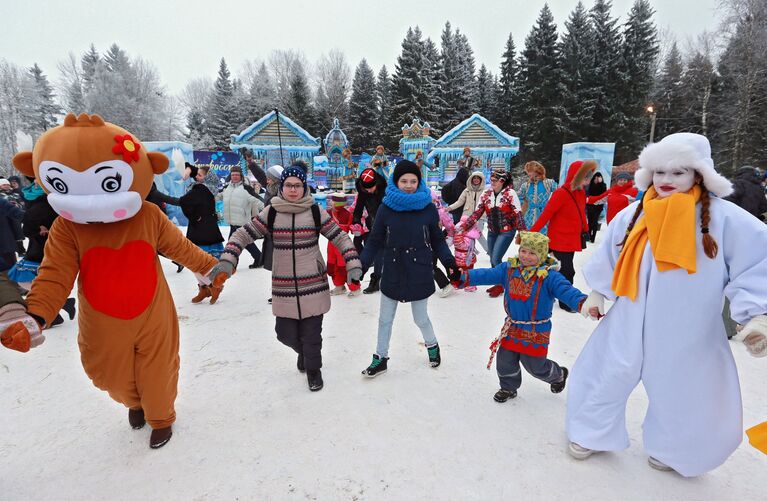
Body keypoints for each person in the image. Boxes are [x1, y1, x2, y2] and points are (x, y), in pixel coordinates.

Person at [2, 113, 220, 449]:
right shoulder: (68, 227)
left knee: (158, 365)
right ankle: (135, 401)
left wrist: (212, 268)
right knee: (106, 372)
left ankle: (161, 416)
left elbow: (180, 247)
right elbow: (54, 274)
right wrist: (37, 315)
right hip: (101, 318)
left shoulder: (148, 215)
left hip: (153, 311)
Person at [566, 132, 767, 476]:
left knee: (685, 387)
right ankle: (590, 431)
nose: (666, 181)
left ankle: (678, 449)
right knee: (605, 372)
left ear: (699, 174)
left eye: (678, 172)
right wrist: (598, 290)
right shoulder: (636, 212)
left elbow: (754, 265)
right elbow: (610, 251)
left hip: (687, 325)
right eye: (659, 172)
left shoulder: (724, 218)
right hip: (629, 314)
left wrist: (756, 315)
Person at [210, 165, 362, 392]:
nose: (293, 189)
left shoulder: (314, 211)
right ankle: (303, 352)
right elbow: (242, 234)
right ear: (282, 187)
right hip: (284, 285)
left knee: (312, 335)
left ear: (304, 187)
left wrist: (352, 263)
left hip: (313, 283)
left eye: (298, 185)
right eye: (289, 185)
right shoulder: (271, 212)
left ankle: (313, 370)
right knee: (284, 334)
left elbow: (340, 237)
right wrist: (228, 258)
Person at [457, 231, 589, 401]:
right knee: (505, 360)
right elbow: (487, 275)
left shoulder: (550, 277)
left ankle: (558, 374)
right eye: (523, 251)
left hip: (536, 329)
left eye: (532, 253)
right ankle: (508, 388)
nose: (526, 256)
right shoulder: (510, 269)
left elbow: (567, 291)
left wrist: (583, 303)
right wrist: (462, 277)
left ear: (542, 255)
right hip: (512, 326)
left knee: (535, 366)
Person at [359, 160, 458, 378]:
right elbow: (374, 240)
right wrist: (362, 265)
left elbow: (438, 240)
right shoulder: (386, 208)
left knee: (420, 318)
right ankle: (380, 358)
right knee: (385, 319)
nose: (409, 185)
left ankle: (432, 346)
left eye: (413, 181)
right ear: (396, 181)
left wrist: (450, 263)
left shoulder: (428, 208)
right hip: (393, 267)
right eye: (404, 181)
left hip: (419, 269)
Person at [530, 160, 596, 311]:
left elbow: (581, 213)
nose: (587, 181)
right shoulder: (561, 193)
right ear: (576, 176)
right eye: (585, 177)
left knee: (553, 269)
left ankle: (545, 293)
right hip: (559, 240)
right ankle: (566, 302)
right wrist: (530, 234)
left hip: (571, 240)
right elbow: (546, 215)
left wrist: (585, 230)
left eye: (589, 178)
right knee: (566, 271)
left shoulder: (580, 193)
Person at [7, 179, 75, 325]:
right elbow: (28, 225)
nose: (36, 184)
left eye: (40, 182)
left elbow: (29, 225)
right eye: (35, 181)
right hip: (38, 245)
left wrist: (47, 230)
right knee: (30, 281)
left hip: (46, 248)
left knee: (34, 281)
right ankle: (62, 305)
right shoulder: (33, 197)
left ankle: (53, 310)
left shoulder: (49, 201)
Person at [461, 168, 525, 298]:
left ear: (503, 181)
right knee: (492, 257)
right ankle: (498, 282)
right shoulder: (486, 193)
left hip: (507, 231)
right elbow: (477, 213)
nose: (493, 182)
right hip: (492, 230)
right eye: (492, 179)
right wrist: (464, 227)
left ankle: (501, 285)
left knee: (496, 257)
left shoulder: (510, 193)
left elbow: (517, 214)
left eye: (496, 180)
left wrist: (523, 234)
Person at [179, 165, 225, 303]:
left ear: (208, 177)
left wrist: (156, 194)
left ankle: (213, 286)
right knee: (195, 262)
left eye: (200, 175)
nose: (196, 176)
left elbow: (183, 201)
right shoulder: (197, 187)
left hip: (205, 231)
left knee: (197, 262)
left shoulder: (205, 189)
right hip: (198, 229)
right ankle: (204, 289)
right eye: (197, 174)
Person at [352, 168, 387, 294]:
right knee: (374, 252)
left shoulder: (384, 190)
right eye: (367, 189)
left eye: (371, 188)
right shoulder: (363, 191)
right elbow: (358, 209)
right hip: (373, 225)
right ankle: (369, 278)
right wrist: (356, 221)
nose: (370, 191)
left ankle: (381, 279)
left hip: (388, 226)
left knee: (384, 253)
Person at [222, 166, 264, 269]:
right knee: (247, 242)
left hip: (242, 222)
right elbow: (216, 196)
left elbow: (257, 201)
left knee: (232, 244)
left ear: (241, 176)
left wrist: (268, 209)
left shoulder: (246, 188)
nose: (235, 177)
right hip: (233, 222)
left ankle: (231, 264)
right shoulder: (226, 188)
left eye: (237, 175)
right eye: (233, 175)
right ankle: (259, 258)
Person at [326, 193, 362, 297]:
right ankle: (339, 286)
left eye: (333, 200)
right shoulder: (328, 213)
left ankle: (355, 288)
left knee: (346, 267)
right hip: (331, 244)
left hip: (343, 244)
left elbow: (352, 228)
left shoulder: (347, 215)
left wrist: (357, 229)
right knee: (333, 266)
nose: (330, 202)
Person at [447, 171, 489, 254]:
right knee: (466, 234)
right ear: (471, 179)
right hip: (467, 216)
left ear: (481, 180)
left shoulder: (485, 191)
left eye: (478, 178)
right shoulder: (467, 190)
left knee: (478, 235)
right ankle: (471, 248)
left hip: (479, 217)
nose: (476, 180)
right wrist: (449, 208)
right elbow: (459, 202)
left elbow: (488, 204)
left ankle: (489, 251)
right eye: (474, 178)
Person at [518, 161, 558, 234]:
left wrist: (552, 206)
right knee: (528, 239)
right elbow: (518, 198)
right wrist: (522, 207)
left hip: (544, 214)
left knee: (543, 238)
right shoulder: (525, 185)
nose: (528, 173)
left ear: (537, 171)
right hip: (528, 216)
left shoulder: (549, 183)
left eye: (530, 171)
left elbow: (559, 194)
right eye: (528, 171)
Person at [585, 172, 607, 243]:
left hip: (598, 206)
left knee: (594, 221)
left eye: (598, 178)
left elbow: (603, 193)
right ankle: (588, 236)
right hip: (590, 205)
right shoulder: (590, 184)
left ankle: (593, 237)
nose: (597, 179)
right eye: (595, 178)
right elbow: (588, 192)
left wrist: (600, 183)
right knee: (590, 221)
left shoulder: (603, 185)